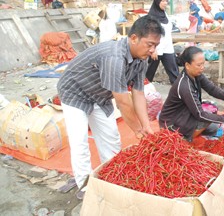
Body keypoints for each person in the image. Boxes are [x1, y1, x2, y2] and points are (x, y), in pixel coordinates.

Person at [57, 15, 164, 199]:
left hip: (100, 95)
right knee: (80, 141)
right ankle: (84, 184)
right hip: (75, 92)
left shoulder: (141, 58)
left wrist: (146, 126)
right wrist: (137, 130)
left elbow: (138, 93)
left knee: (111, 138)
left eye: (156, 45)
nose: (153, 50)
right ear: (133, 38)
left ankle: (113, 176)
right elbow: (123, 101)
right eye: (149, 44)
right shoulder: (114, 57)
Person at [158, 46, 224, 142]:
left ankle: (192, 131)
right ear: (187, 65)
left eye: (203, 64)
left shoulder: (196, 75)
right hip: (171, 124)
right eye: (199, 65)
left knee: (212, 122)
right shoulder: (185, 85)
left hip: (183, 114)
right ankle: (185, 138)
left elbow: (211, 89)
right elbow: (200, 115)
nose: (202, 68)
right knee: (207, 116)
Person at [146, 0, 179, 85]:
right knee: (149, 73)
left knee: (174, 73)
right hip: (156, 48)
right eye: (163, 1)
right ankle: (143, 92)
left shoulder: (165, 14)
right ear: (157, 2)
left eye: (166, 1)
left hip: (168, 48)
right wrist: (153, 49)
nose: (165, 3)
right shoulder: (151, 16)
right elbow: (149, 34)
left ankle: (180, 93)